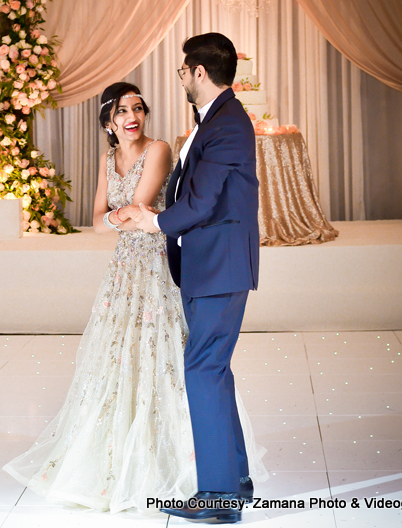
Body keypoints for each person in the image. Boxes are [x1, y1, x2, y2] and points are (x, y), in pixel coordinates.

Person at [2, 81, 266, 515]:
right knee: (118, 359)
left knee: (176, 358)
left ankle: (210, 474)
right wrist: (115, 217)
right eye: (123, 110)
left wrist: (117, 217)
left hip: (157, 261)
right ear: (108, 120)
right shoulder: (109, 158)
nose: (133, 116)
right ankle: (129, 454)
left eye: (138, 108)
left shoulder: (158, 149)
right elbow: (97, 223)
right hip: (123, 271)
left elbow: (139, 208)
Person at [132, 32, 261, 523]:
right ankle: (236, 482)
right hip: (209, 265)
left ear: (200, 73)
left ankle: (219, 500)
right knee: (213, 370)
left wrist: (154, 222)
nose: (182, 78)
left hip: (220, 267)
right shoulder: (215, 120)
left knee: (202, 370)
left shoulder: (228, 123)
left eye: (184, 71)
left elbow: (203, 201)